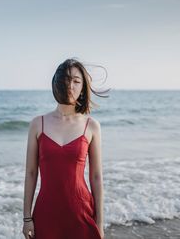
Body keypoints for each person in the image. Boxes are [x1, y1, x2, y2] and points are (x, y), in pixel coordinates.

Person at [22, 58, 110, 239]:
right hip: (46, 212)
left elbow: (96, 177)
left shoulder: (91, 126)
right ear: (57, 82)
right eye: (66, 79)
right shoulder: (38, 124)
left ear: (83, 87)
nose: (71, 85)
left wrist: (100, 223)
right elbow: (31, 173)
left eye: (77, 81)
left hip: (81, 212)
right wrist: (27, 217)